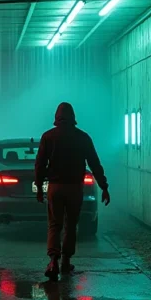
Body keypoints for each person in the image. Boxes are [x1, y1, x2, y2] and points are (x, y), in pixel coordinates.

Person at [35, 102, 110, 280]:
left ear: (56, 117)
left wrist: (39, 187)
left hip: (55, 187)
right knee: (71, 225)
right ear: (73, 117)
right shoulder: (83, 137)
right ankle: (66, 261)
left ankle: (53, 260)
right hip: (75, 188)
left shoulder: (48, 137)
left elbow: (39, 164)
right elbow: (94, 164)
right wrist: (104, 187)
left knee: (55, 224)